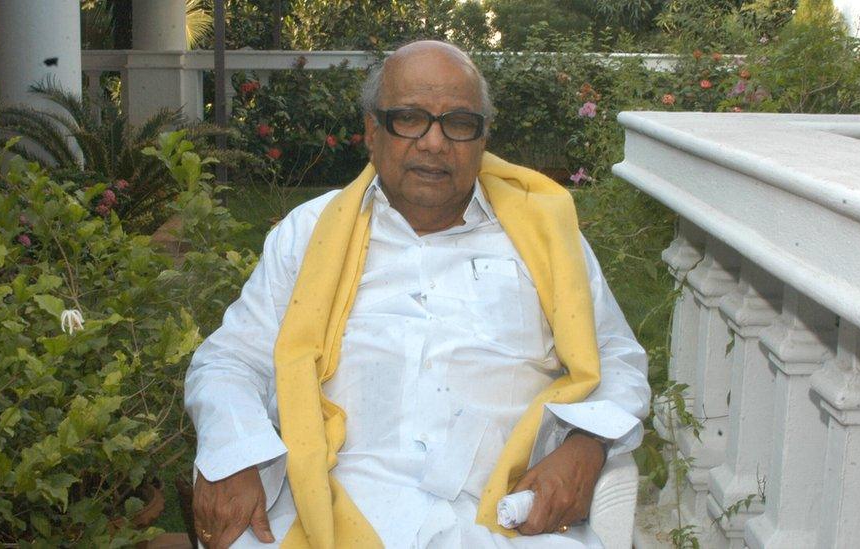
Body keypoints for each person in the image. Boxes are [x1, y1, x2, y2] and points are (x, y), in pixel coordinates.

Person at [185, 40, 650, 549]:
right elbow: (231, 359)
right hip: (323, 512)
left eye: (459, 123)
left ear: (482, 137)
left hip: (502, 520)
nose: (434, 143)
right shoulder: (310, 234)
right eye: (409, 118)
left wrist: (588, 443)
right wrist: (235, 452)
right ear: (371, 131)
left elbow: (617, 359)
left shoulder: (546, 239)